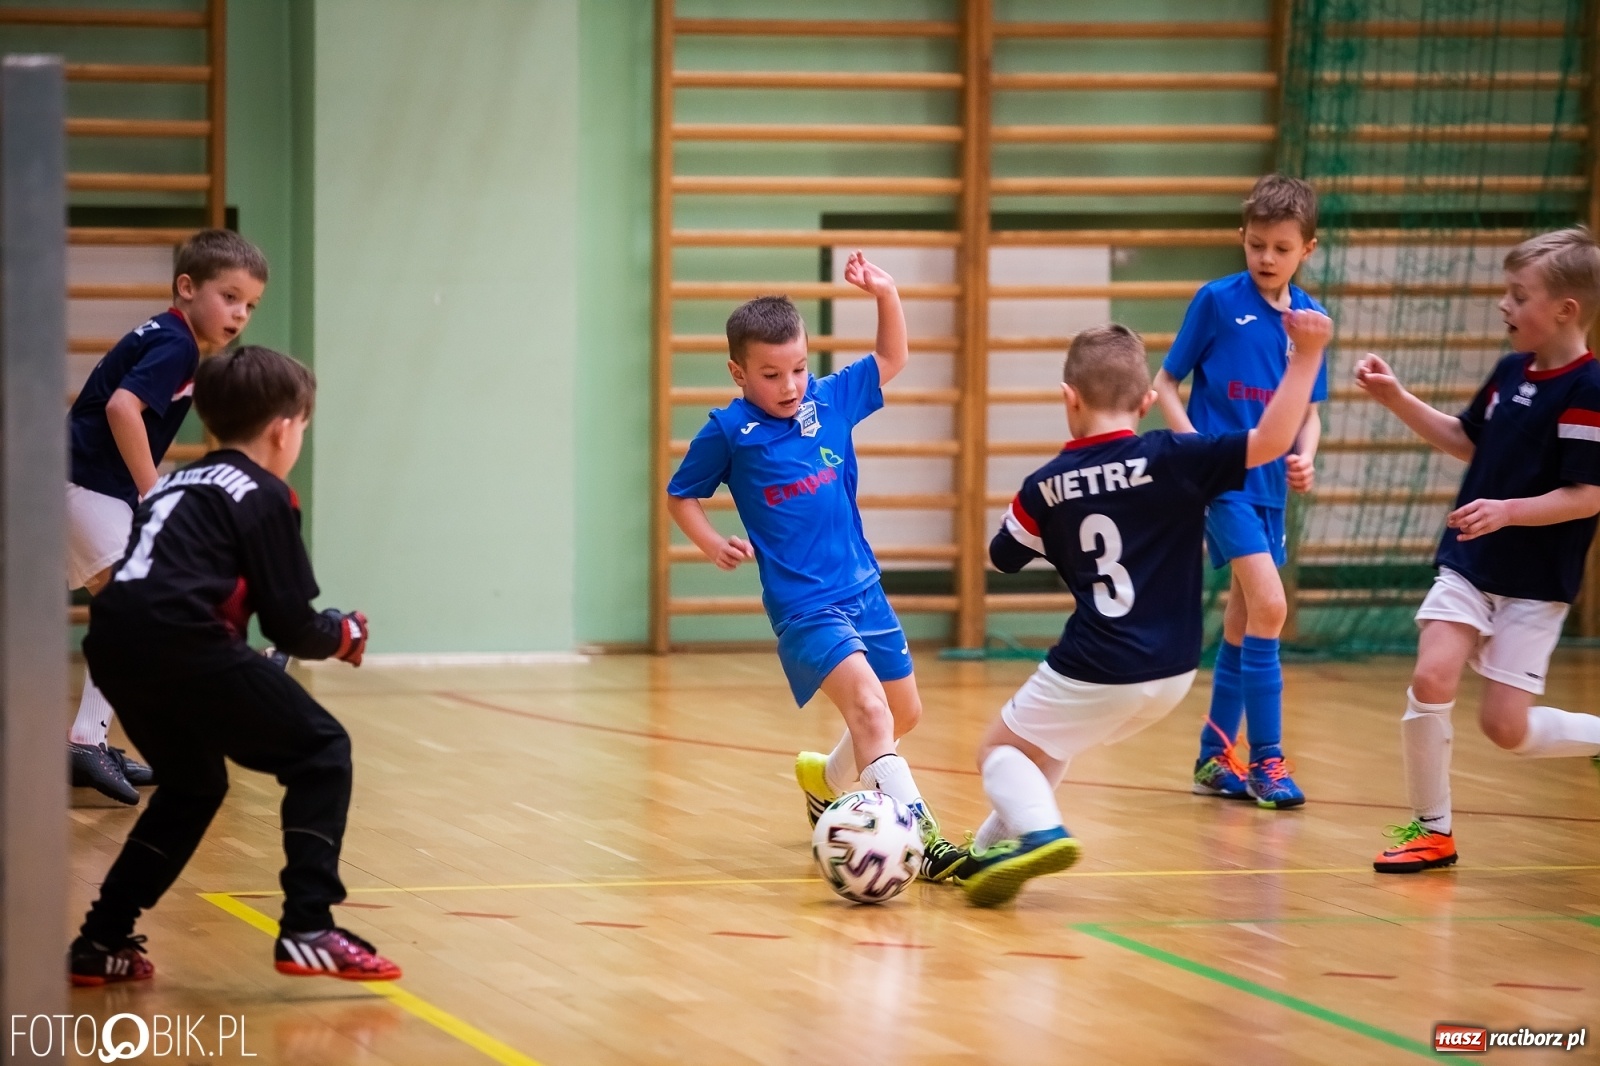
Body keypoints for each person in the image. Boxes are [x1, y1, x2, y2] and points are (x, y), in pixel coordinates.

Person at [955, 316, 1330, 907]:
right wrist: (1307, 355)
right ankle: (984, 854)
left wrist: (1049, 508)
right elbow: (1271, 441)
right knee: (1048, 744)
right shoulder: (1178, 456)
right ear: (1149, 401)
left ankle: (1043, 831)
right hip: (1175, 673)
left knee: (999, 751)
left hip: (1097, 663)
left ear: (1068, 399)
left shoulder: (1044, 486)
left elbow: (1003, 555)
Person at [69, 346, 398, 985]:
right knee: (323, 750)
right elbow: (292, 626)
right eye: (303, 426)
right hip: (179, 642)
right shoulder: (264, 494)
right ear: (284, 427)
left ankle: (100, 939)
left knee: (194, 785)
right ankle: (308, 926)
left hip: (115, 644)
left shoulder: (178, 482)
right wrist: (344, 635)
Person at [666, 252, 964, 881]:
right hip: (804, 607)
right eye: (771, 374)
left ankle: (825, 782)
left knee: (902, 713)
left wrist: (885, 292)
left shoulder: (829, 400)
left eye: (798, 368)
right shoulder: (728, 431)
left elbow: (891, 359)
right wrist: (708, 541)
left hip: (863, 587)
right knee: (871, 713)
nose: (791, 385)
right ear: (738, 372)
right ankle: (921, 840)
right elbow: (680, 494)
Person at [1355, 227, 1600, 873]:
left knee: (1505, 729)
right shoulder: (1507, 372)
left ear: (1564, 311)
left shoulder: (1588, 389)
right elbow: (1469, 442)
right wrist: (1396, 398)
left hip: (1536, 581)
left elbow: (1587, 494)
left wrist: (1509, 511)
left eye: (1518, 295)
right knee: (1431, 673)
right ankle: (1432, 830)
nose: (1504, 305)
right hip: (1470, 562)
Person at [66, 229, 269, 804]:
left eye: (250, 305)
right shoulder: (177, 343)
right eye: (229, 297)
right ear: (186, 287)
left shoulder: (168, 335)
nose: (239, 314)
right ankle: (90, 739)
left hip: (83, 485)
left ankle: (90, 739)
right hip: (86, 484)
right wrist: (153, 493)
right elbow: (120, 407)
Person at [1153, 174, 1329, 809]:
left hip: (1269, 489)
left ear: (1306, 249)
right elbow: (1166, 382)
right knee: (1272, 610)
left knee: (1245, 617)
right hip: (1223, 481)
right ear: (1243, 239)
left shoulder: (1310, 324)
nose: (1266, 259)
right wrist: (1197, 450)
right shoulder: (1217, 302)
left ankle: (1212, 754)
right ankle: (1268, 761)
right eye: (1256, 245)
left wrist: (1305, 456)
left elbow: (1308, 409)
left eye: (1281, 248)